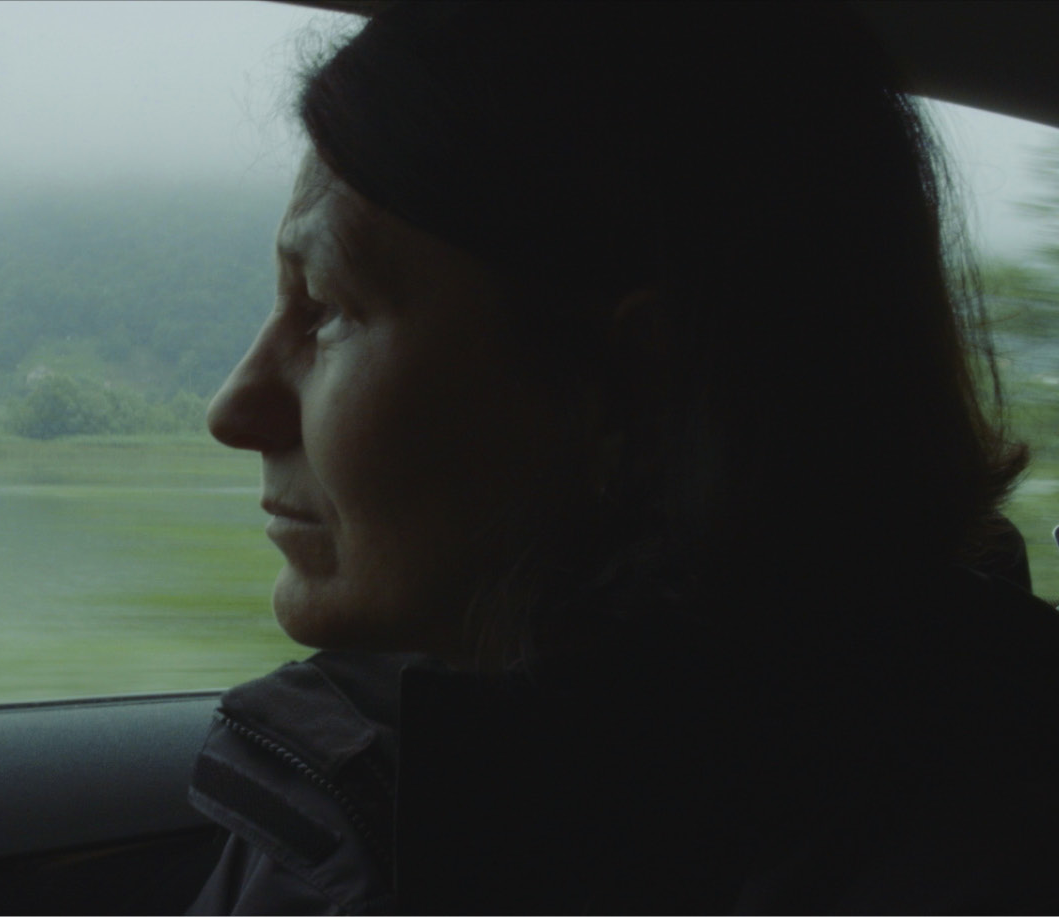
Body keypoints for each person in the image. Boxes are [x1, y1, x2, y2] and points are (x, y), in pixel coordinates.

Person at [186, 2, 1059, 913]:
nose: (233, 410)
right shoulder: (344, 777)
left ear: (633, 378)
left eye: (326, 307)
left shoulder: (987, 856)